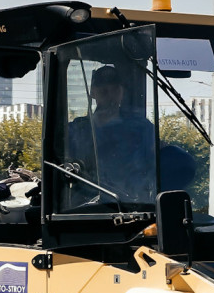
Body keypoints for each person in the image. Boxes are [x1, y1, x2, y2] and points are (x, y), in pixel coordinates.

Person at [65, 65, 156, 205]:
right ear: (92, 93)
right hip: (84, 210)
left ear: (122, 92)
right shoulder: (76, 130)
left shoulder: (141, 128)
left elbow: (156, 166)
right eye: (103, 90)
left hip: (135, 208)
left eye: (115, 90)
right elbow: (60, 167)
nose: (109, 95)